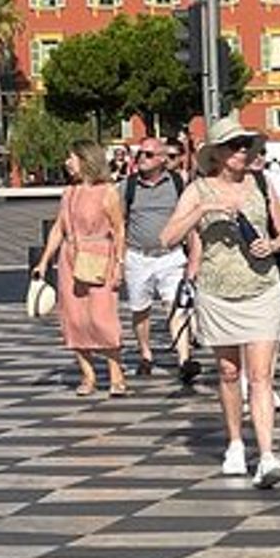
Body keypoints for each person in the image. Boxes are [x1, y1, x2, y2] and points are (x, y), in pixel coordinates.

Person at [159, 117, 280, 488]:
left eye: (245, 144)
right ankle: (235, 442)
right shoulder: (198, 190)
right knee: (229, 373)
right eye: (234, 145)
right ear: (216, 154)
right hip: (217, 292)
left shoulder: (261, 183)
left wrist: (274, 244)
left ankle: (267, 455)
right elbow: (167, 237)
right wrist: (202, 212)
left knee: (261, 376)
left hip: (263, 288)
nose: (242, 151)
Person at [31, 140, 128, 397]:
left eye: (71, 157)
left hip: (99, 256)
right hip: (70, 257)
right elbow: (59, 229)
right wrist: (44, 261)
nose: (67, 162)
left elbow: (119, 230)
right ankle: (88, 375)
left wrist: (119, 263)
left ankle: (116, 375)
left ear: (86, 160)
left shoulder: (108, 191)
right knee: (73, 318)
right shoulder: (69, 192)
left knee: (101, 318)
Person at [121, 137, 201, 382]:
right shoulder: (128, 186)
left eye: (147, 155)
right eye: (139, 154)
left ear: (162, 159)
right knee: (140, 309)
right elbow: (119, 223)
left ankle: (184, 359)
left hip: (170, 256)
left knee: (176, 305)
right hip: (138, 255)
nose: (141, 159)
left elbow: (190, 224)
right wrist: (118, 258)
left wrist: (194, 258)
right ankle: (146, 354)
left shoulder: (178, 183)